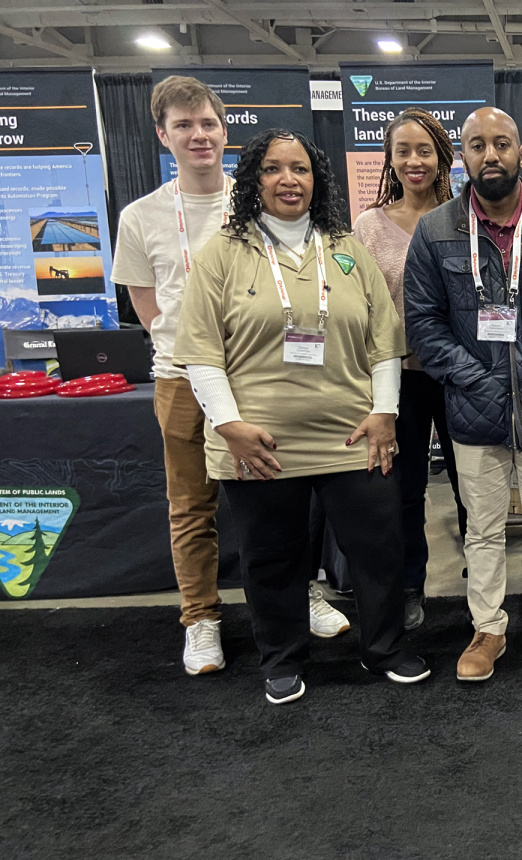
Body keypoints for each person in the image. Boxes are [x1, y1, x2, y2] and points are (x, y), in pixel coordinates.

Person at [173, 128, 425, 705]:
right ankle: (281, 658)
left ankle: (384, 647)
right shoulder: (223, 253)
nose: (289, 179)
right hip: (259, 441)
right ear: (253, 180)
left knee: (378, 547)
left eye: (301, 169)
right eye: (273, 168)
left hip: (352, 434)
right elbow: (201, 351)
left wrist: (385, 412)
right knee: (272, 556)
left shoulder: (344, 246)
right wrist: (229, 426)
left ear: (318, 179)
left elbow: (385, 341)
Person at [112, 77, 348, 679]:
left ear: (224, 130)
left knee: (287, 497)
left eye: (208, 124)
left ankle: (302, 594)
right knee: (192, 505)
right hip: (180, 378)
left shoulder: (258, 206)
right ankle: (201, 619)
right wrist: (200, 357)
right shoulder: (141, 218)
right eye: (184, 126)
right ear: (163, 136)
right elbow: (149, 309)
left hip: (262, 376)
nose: (199, 135)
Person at [404, 107, 522, 682]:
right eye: (476, 145)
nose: (490, 155)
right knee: (482, 529)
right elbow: (424, 322)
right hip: (471, 410)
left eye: (502, 144)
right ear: (461, 156)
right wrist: (473, 379)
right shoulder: (436, 231)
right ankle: (487, 629)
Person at [353, 107, 469, 631]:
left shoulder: (467, 215)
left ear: (443, 155)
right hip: (396, 378)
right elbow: (358, 306)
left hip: (461, 372)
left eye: (424, 149)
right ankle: (408, 586)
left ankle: (484, 586)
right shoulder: (368, 227)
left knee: (474, 484)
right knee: (403, 487)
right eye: (403, 151)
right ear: (390, 159)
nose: (414, 161)